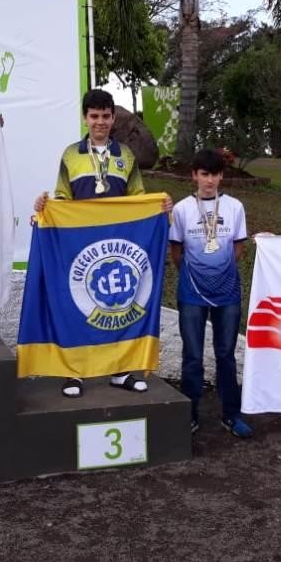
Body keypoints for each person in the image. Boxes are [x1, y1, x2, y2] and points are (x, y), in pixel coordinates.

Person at [34, 88, 172, 397]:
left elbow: (138, 198)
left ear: (113, 119)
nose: (100, 122)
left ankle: (120, 371)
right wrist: (45, 210)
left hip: (117, 244)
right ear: (85, 118)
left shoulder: (126, 155)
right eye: (94, 116)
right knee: (77, 304)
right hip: (80, 245)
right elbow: (63, 197)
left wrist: (159, 207)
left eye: (105, 116)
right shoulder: (71, 154)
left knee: (118, 305)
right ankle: (74, 373)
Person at [170, 149, 252, 438]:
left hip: (227, 292)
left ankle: (231, 414)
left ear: (221, 176)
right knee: (192, 355)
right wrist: (197, 275)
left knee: (226, 354)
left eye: (215, 174)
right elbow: (176, 250)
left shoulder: (234, 207)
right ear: (194, 175)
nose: (210, 180)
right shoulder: (181, 209)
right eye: (204, 174)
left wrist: (219, 273)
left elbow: (238, 246)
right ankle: (189, 415)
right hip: (191, 292)